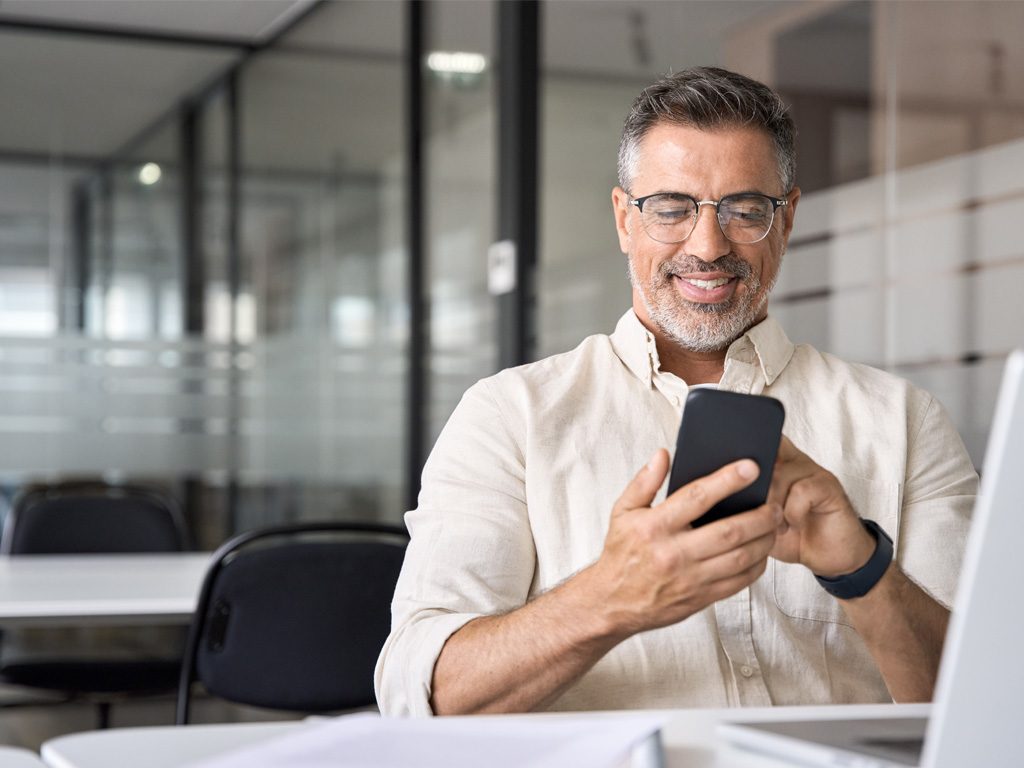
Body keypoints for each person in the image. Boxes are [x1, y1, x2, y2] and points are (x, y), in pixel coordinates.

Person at [374, 67, 977, 716]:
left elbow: (991, 698)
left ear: (787, 220)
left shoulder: (903, 420)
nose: (708, 246)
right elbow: (421, 695)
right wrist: (610, 597)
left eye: (746, 210)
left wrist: (863, 570)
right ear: (623, 219)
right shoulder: (509, 417)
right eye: (670, 209)